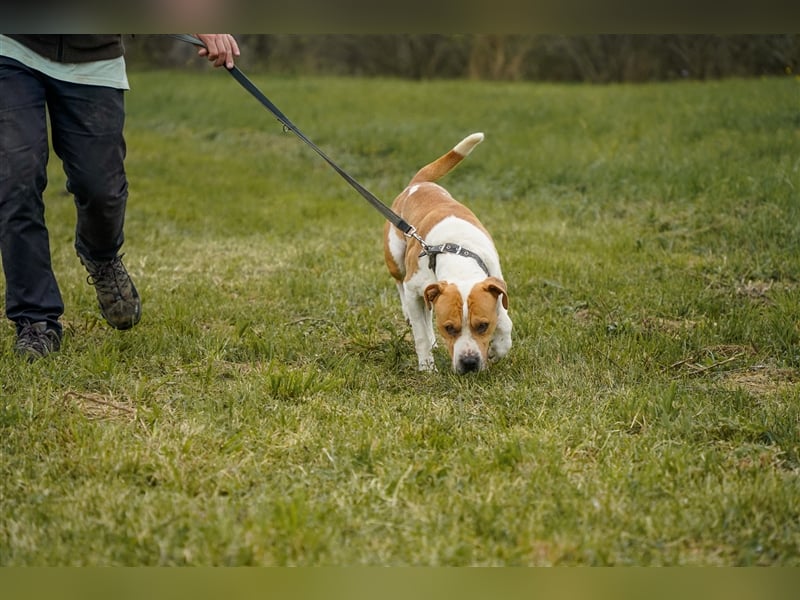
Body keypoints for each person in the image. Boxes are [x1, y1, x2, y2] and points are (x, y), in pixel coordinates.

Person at [0, 34, 240, 361]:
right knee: (16, 176)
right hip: (12, 45)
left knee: (101, 188)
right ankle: (35, 319)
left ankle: (101, 256)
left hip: (94, 56)